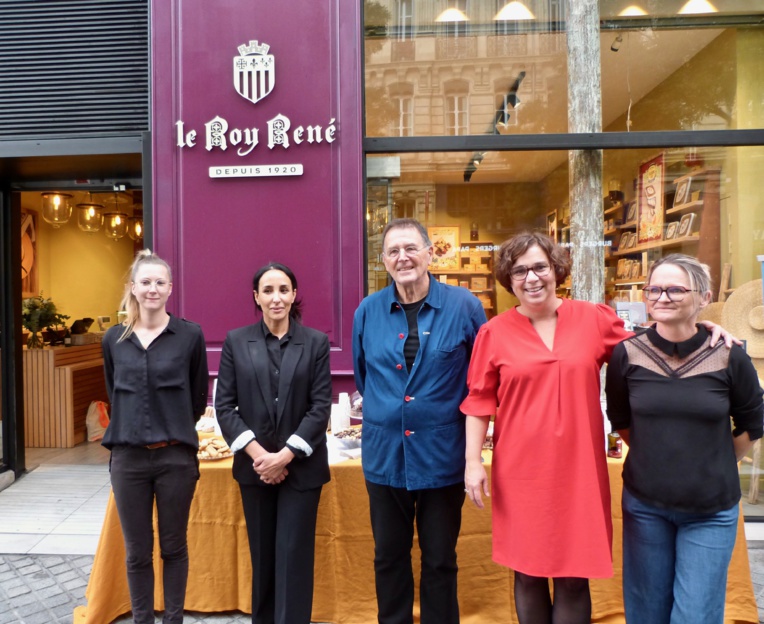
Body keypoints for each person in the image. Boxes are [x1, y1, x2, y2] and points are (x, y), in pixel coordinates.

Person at [461, 234, 737, 624]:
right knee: (527, 573)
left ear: (556, 269)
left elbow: (651, 351)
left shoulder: (593, 318)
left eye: (540, 267)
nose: (532, 278)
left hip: (579, 471)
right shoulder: (494, 332)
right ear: (509, 278)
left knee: (574, 578)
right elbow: (479, 402)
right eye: (520, 270)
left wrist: (698, 326)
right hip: (520, 470)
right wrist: (473, 462)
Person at [605, 254, 763, 624]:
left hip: (710, 510)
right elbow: (622, 420)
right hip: (645, 506)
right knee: (646, 611)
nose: (662, 297)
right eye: (654, 289)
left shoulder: (728, 354)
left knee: (696, 614)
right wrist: (656, 456)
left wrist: (715, 460)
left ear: (703, 297)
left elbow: (752, 423)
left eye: (675, 289)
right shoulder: (627, 355)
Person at [352, 218, 487, 624]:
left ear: (430, 253)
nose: (403, 257)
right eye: (393, 251)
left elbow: (479, 380)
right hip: (385, 456)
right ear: (384, 261)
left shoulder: (465, 306)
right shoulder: (368, 310)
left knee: (440, 558)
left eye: (411, 248)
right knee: (388, 557)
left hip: (442, 457)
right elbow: (365, 376)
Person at [215, 262, 332, 624]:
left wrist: (284, 456)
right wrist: (262, 457)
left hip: (301, 470)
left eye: (283, 289)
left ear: (294, 295)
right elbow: (225, 406)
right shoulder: (237, 341)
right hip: (255, 469)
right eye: (268, 290)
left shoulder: (315, 342)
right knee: (263, 556)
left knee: (293, 556)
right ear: (256, 297)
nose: (276, 297)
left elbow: (319, 407)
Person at [102, 249, 209, 624]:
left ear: (170, 288)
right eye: (145, 282)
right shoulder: (113, 339)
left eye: (159, 282)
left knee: (174, 546)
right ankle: (143, 619)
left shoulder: (190, 335)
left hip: (175, 458)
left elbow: (197, 396)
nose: (152, 289)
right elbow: (115, 392)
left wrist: (171, 424)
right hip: (128, 459)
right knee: (136, 552)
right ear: (133, 287)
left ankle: (174, 619)